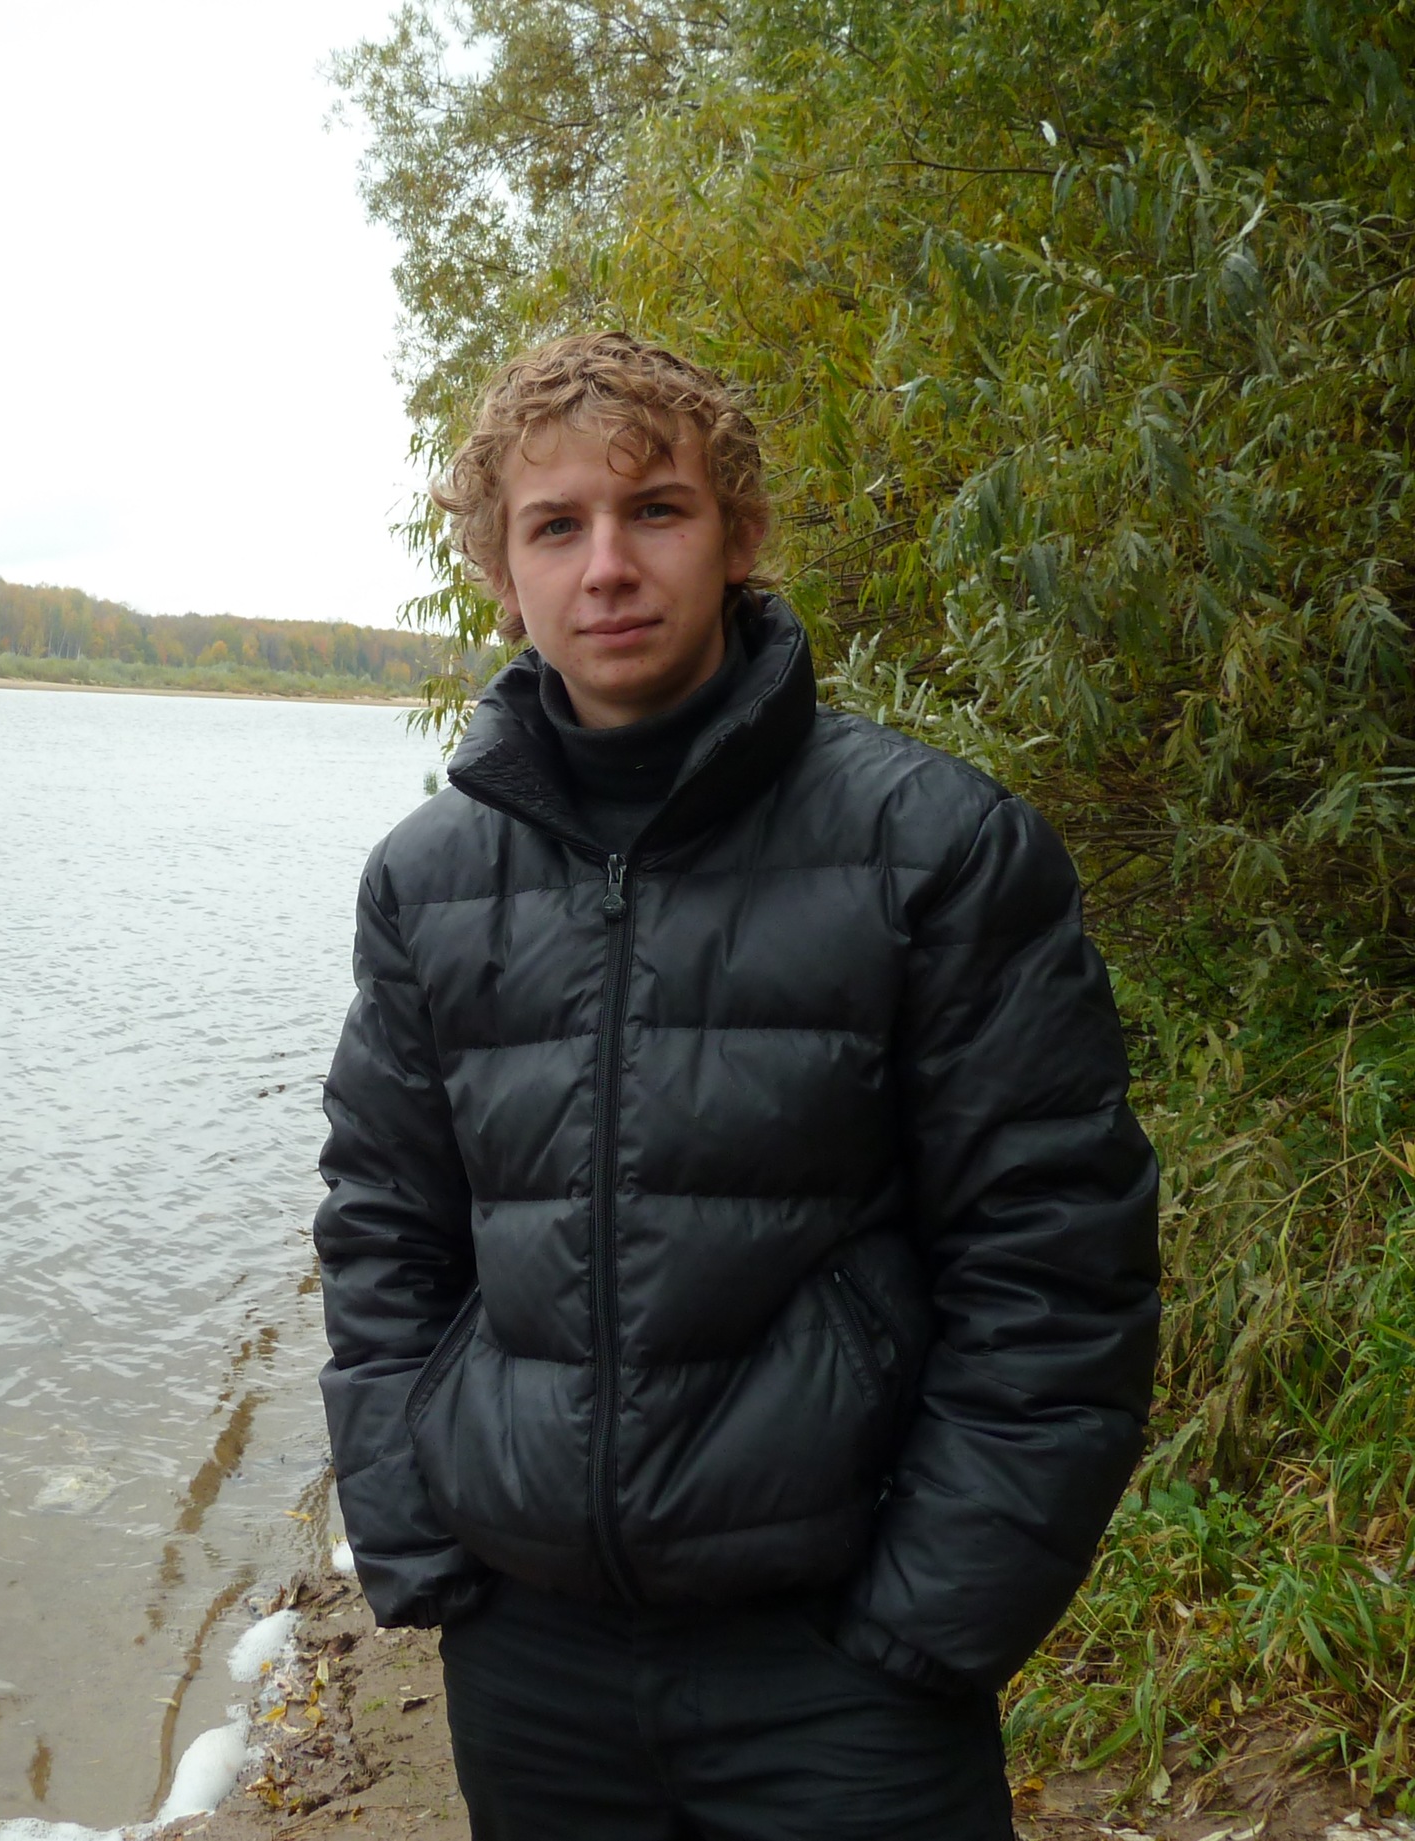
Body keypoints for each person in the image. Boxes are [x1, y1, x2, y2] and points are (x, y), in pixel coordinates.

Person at [312, 331, 1161, 1840]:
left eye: (656, 510)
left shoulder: (937, 847)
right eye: (555, 526)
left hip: (839, 1665)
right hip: (535, 1666)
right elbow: (385, 1230)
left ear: (741, 535)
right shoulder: (428, 880)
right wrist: (426, 1550)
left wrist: (927, 1623)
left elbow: (1054, 1265)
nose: (608, 567)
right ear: (500, 573)